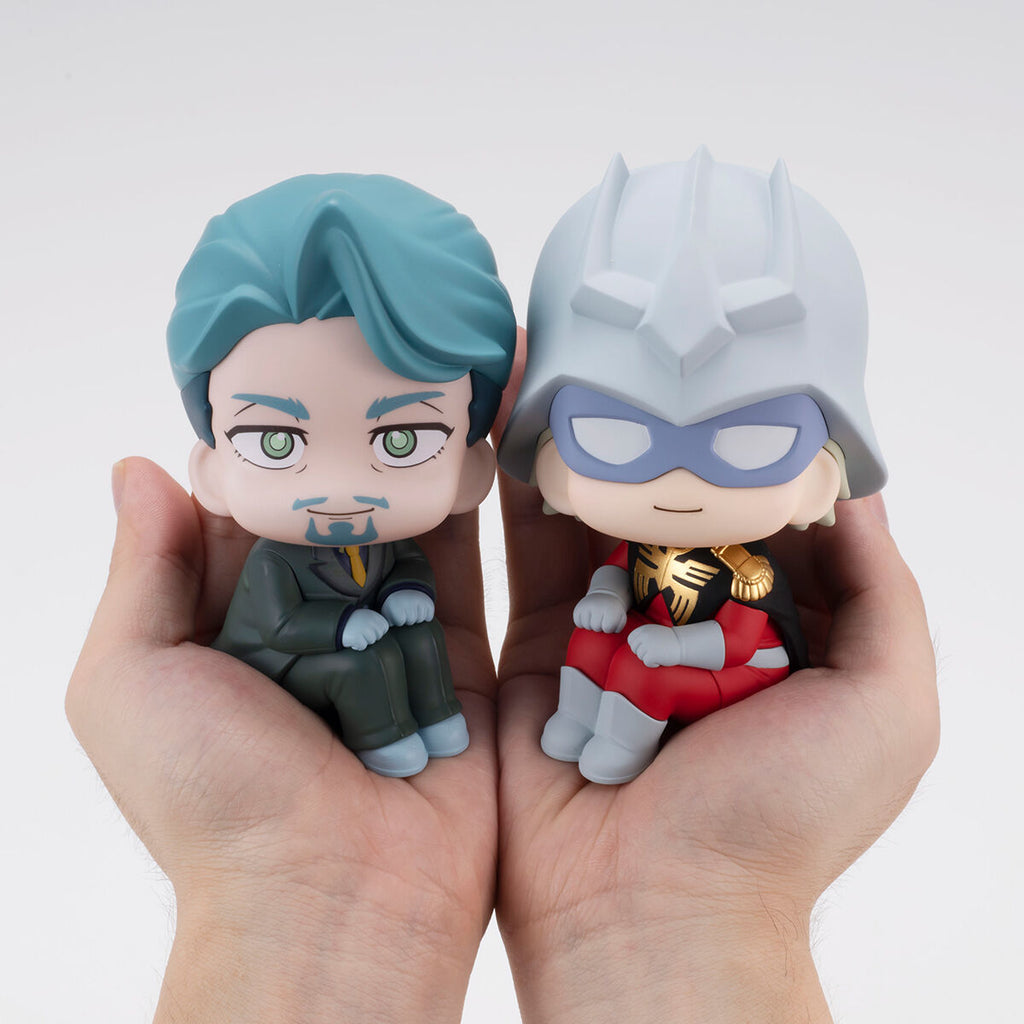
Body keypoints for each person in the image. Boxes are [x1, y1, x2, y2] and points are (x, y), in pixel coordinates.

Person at [66, 370, 937, 1019]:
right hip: (315, 655)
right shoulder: (277, 561)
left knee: (573, 661)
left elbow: (742, 639)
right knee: (575, 643)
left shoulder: (750, 570)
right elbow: (610, 573)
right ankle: (555, 725)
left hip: (731, 663)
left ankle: (586, 738)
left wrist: (702, 898)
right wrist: (607, 598)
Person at [167, 173, 517, 777]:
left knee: (424, 637)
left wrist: (409, 592)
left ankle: (438, 718)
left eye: (402, 440)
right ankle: (385, 740)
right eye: (275, 442)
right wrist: (343, 624)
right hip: (283, 663)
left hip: (361, 635)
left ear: (471, 470)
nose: (337, 489)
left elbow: (407, 567)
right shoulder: (273, 562)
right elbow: (278, 624)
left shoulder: (389, 544)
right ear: (213, 471)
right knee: (358, 665)